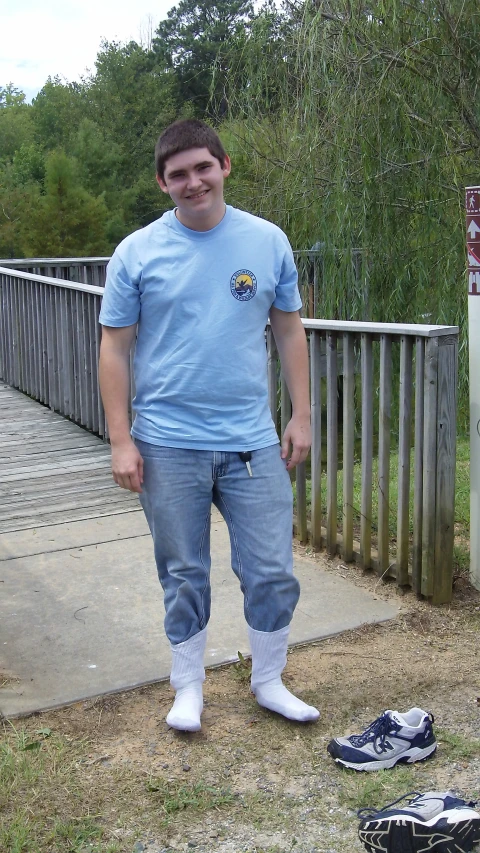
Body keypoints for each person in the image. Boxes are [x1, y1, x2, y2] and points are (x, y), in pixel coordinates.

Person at [98, 119, 320, 732]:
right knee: (183, 570)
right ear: (162, 183)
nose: (193, 182)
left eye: (202, 167)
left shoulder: (267, 240)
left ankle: (269, 679)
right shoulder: (137, 252)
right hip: (167, 442)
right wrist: (121, 439)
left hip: (251, 439)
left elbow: (288, 328)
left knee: (272, 567)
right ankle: (188, 687)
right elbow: (114, 348)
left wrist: (301, 416)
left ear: (223, 165)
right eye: (178, 174)